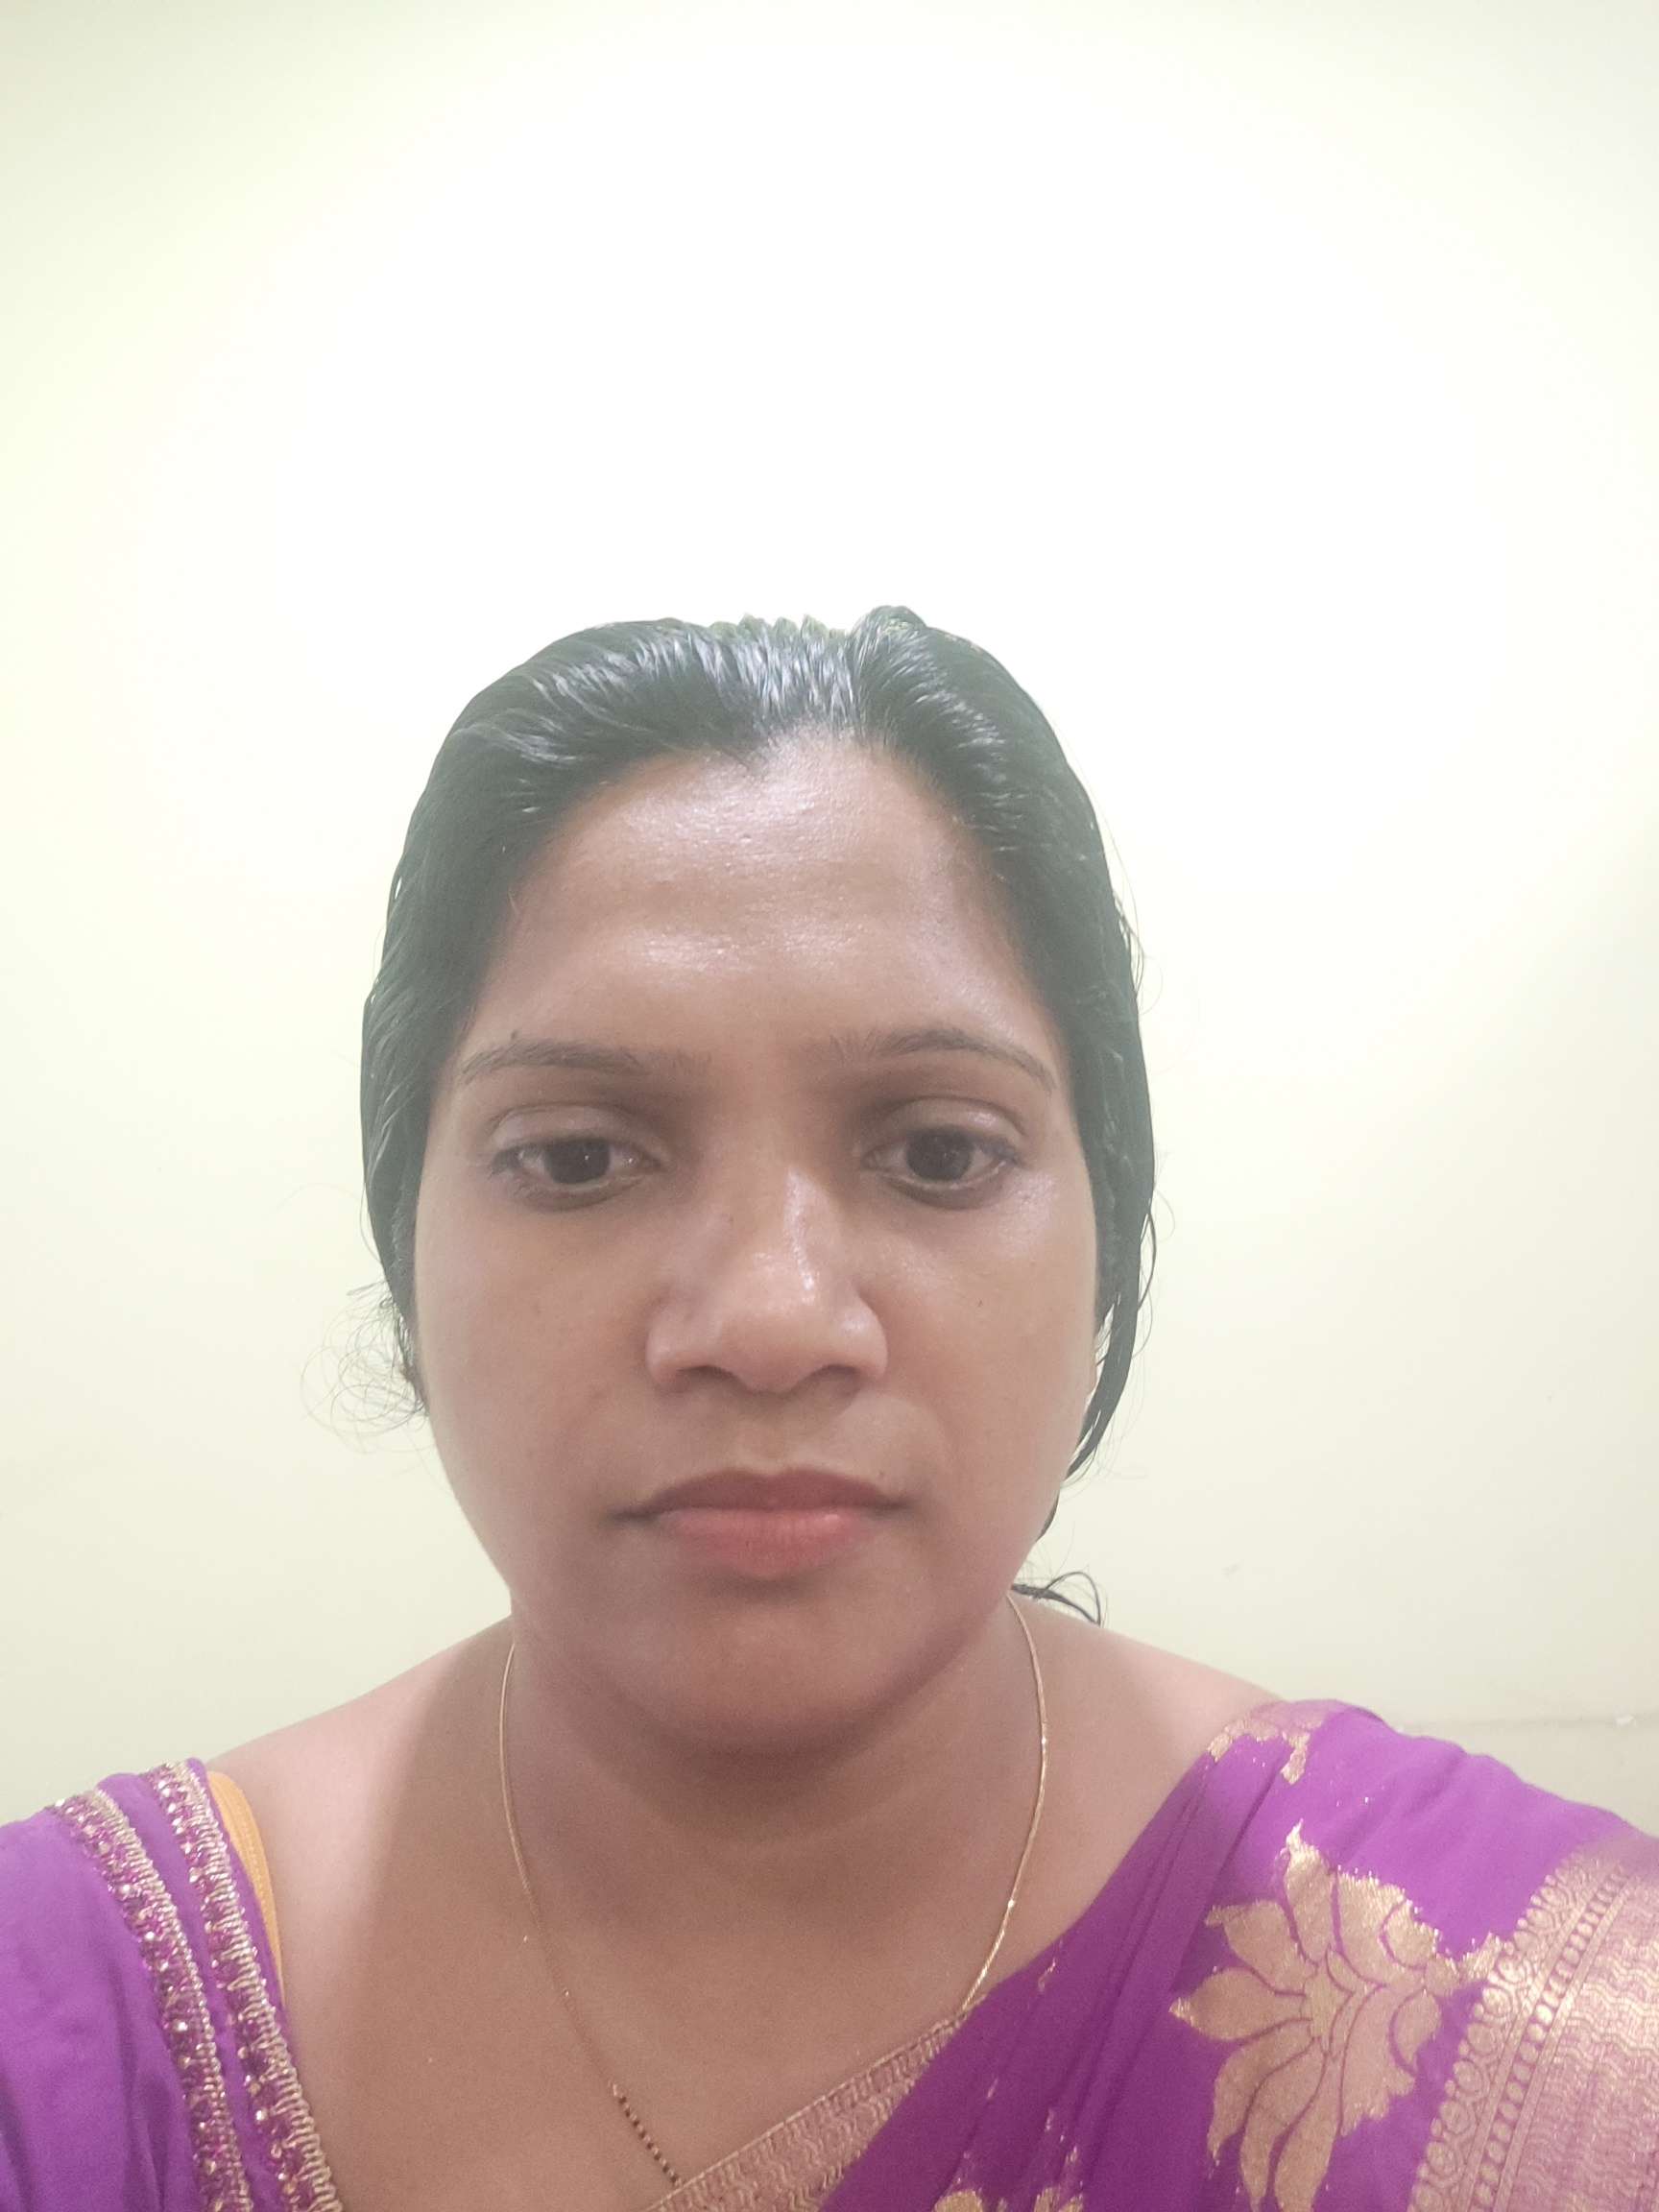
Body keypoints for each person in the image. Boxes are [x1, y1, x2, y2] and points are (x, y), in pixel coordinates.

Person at [1, 608, 1654, 2212]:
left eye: (937, 1152)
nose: (771, 1321)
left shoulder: (1544, 2028)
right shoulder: (75, 2024)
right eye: (576, 1157)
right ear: (405, 1253)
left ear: (1104, 1250)